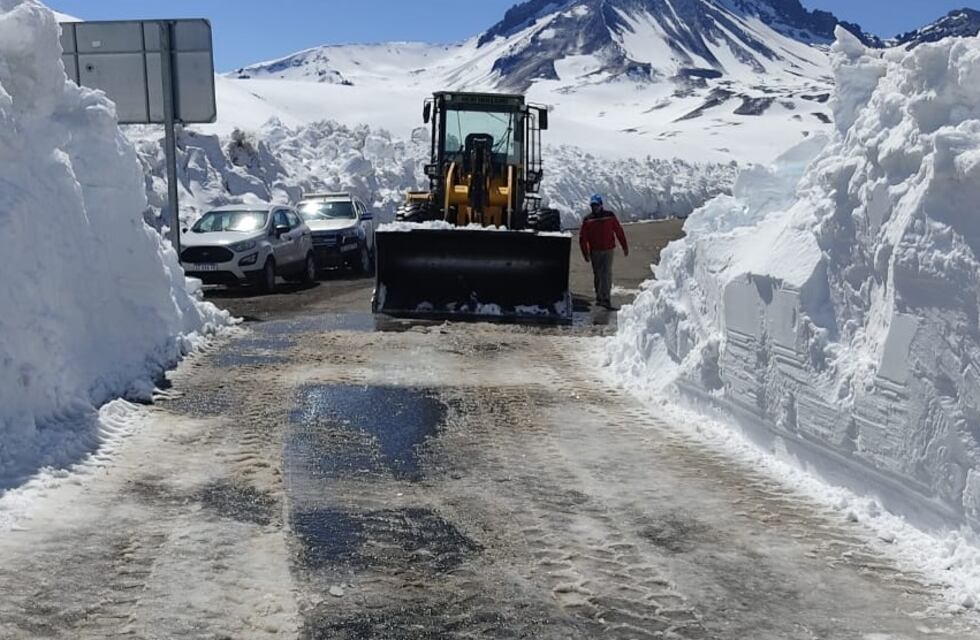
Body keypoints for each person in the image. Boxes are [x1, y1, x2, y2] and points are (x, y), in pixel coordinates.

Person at [579, 194, 628, 310]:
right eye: (593, 206)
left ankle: (605, 298)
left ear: (601, 205)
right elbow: (583, 238)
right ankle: (599, 297)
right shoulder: (588, 219)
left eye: (596, 205)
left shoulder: (609, 216)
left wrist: (624, 246)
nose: (594, 208)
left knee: (606, 274)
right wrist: (585, 253)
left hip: (608, 250)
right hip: (595, 251)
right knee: (598, 274)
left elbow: (618, 231)